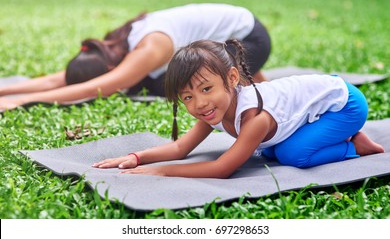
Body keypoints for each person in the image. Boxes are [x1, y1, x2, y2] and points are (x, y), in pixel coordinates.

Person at [92, 39, 384, 178]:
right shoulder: (212, 111)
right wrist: (136, 157)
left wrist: (160, 173)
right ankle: (341, 137)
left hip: (344, 103)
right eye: (187, 97)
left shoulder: (253, 117)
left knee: (291, 155)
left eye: (206, 89)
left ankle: (355, 145)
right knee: (267, 150)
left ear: (232, 79)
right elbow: (181, 148)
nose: (199, 104)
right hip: (311, 105)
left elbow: (222, 168)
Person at [0, 3, 271, 111]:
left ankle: (260, 88)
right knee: (156, 79)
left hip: (250, 38)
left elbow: (100, 87)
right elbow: (61, 80)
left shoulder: (150, 46)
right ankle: (262, 83)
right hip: (226, 36)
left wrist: (25, 101)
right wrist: (7, 90)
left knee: (161, 82)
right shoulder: (117, 45)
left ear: (109, 68)